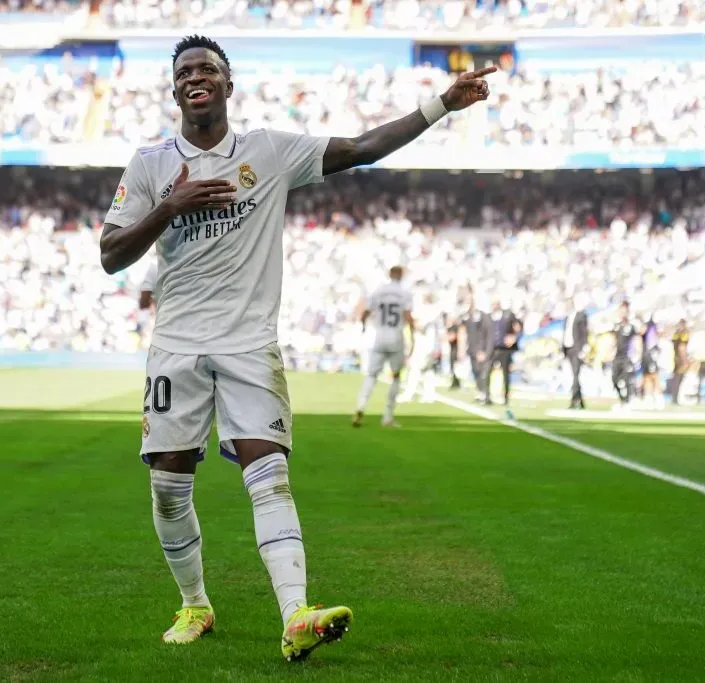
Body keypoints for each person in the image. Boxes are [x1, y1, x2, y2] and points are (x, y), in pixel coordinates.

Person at [97, 34, 494, 660]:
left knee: (269, 475)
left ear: (229, 86)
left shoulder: (269, 151)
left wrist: (442, 103)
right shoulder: (149, 165)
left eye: (207, 69)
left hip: (250, 344)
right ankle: (196, 605)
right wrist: (169, 207)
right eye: (184, 72)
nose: (194, 77)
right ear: (174, 89)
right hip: (176, 345)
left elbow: (362, 149)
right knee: (169, 486)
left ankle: (295, 615)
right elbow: (111, 255)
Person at [354, 266, 414, 425]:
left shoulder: (378, 291)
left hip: (379, 336)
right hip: (396, 337)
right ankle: (387, 416)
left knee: (372, 375)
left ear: (389, 274)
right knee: (395, 376)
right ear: (401, 276)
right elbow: (408, 316)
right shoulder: (405, 293)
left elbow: (365, 313)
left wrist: (363, 327)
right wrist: (413, 337)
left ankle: (361, 406)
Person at [482, 297, 521, 407]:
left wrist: (514, 338)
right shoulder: (488, 317)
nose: (493, 306)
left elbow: (518, 328)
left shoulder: (508, 315)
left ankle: (506, 397)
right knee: (487, 372)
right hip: (492, 349)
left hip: (505, 349)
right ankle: (486, 396)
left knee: (506, 374)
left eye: (495, 304)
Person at [561, 297, 588, 409]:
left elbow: (584, 332)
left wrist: (584, 347)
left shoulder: (580, 315)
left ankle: (574, 400)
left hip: (577, 348)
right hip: (568, 348)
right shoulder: (567, 317)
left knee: (576, 375)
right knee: (573, 374)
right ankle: (580, 401)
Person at [611, 302, 637, 408]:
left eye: (625, 311)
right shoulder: (616, 326)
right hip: (617, 357)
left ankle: (627, 401)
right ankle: (622, 400)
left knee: (627, 379)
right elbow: (612, 341)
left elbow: (636, 340)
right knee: (614, 379)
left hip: (627, 357)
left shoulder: (631, 326)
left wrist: (636, 355)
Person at [669, 319, 690, 405]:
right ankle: (676, 398)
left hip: (675, 357)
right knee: (679, 379)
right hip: (680, 359)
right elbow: (682, 347)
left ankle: (674, 397)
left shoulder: (675, 334)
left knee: (676, 379)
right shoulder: (683, 334)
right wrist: (684, 360)